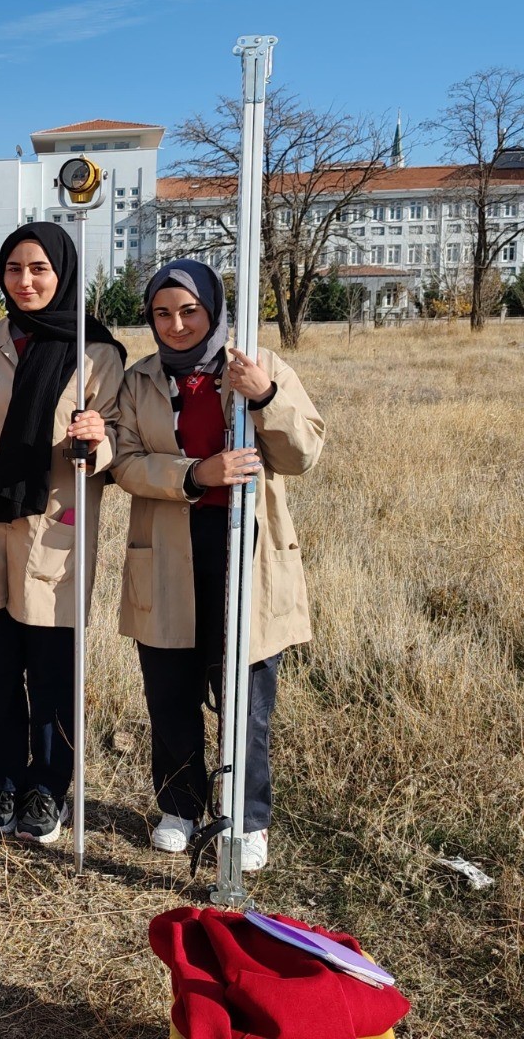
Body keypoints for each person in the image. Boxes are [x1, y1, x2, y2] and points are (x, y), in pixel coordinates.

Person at [111, 258, 324, 871]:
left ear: (213, 310)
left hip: (245, 548)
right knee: (170, 686)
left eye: (189, 311)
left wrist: (266, 396)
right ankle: (180, 805)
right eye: (161, 313)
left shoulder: (256, 364)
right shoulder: (140, 379)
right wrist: (193, 474)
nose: (176, 325)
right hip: (169, 546)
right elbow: (123, 462)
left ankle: (247, 817)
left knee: (245, 693)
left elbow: (303, 450)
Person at [0, 221, 125, 845]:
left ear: (64, 273)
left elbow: (117, 445)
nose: (24, 282)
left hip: (57, 528)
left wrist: (96, 440)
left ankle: (47, 789)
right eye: (12, 270)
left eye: (39, 269)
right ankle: (3, 779)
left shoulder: (96, 351)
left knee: (52, 674)